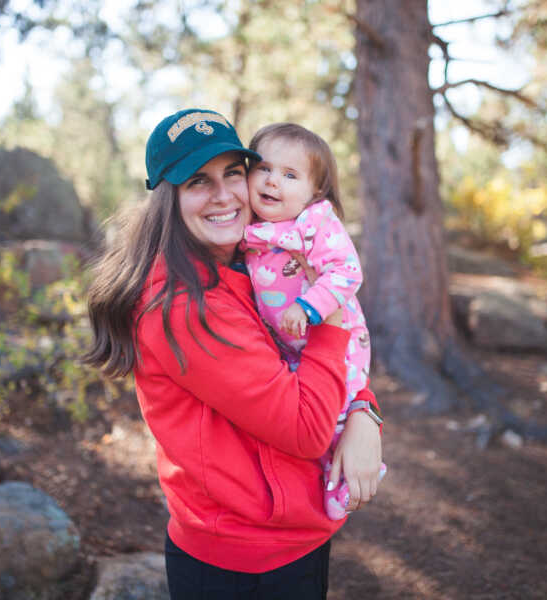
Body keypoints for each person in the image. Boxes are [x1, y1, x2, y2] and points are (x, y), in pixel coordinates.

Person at [84, 108, 384, 599]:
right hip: (242, 563)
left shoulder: (249, 264)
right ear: (167, 198)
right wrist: (329, 318)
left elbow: (306, 366)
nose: (224, 196)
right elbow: (306, 428)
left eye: (234, 173)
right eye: (199, 181)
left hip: (293, 539)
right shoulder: (181, 305)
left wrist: (363, 410)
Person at [242, 123, 386, 521]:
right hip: (293, 346)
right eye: (264, 169)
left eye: (290, 175)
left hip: (342, 338)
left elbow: (346, 271)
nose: (273, 181)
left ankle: (345, 484)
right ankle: (323, 478)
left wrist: (308, 308)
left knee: (338, 410)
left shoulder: (315, 224)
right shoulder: (250, 230)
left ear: (314, 194)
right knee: (305, 410)